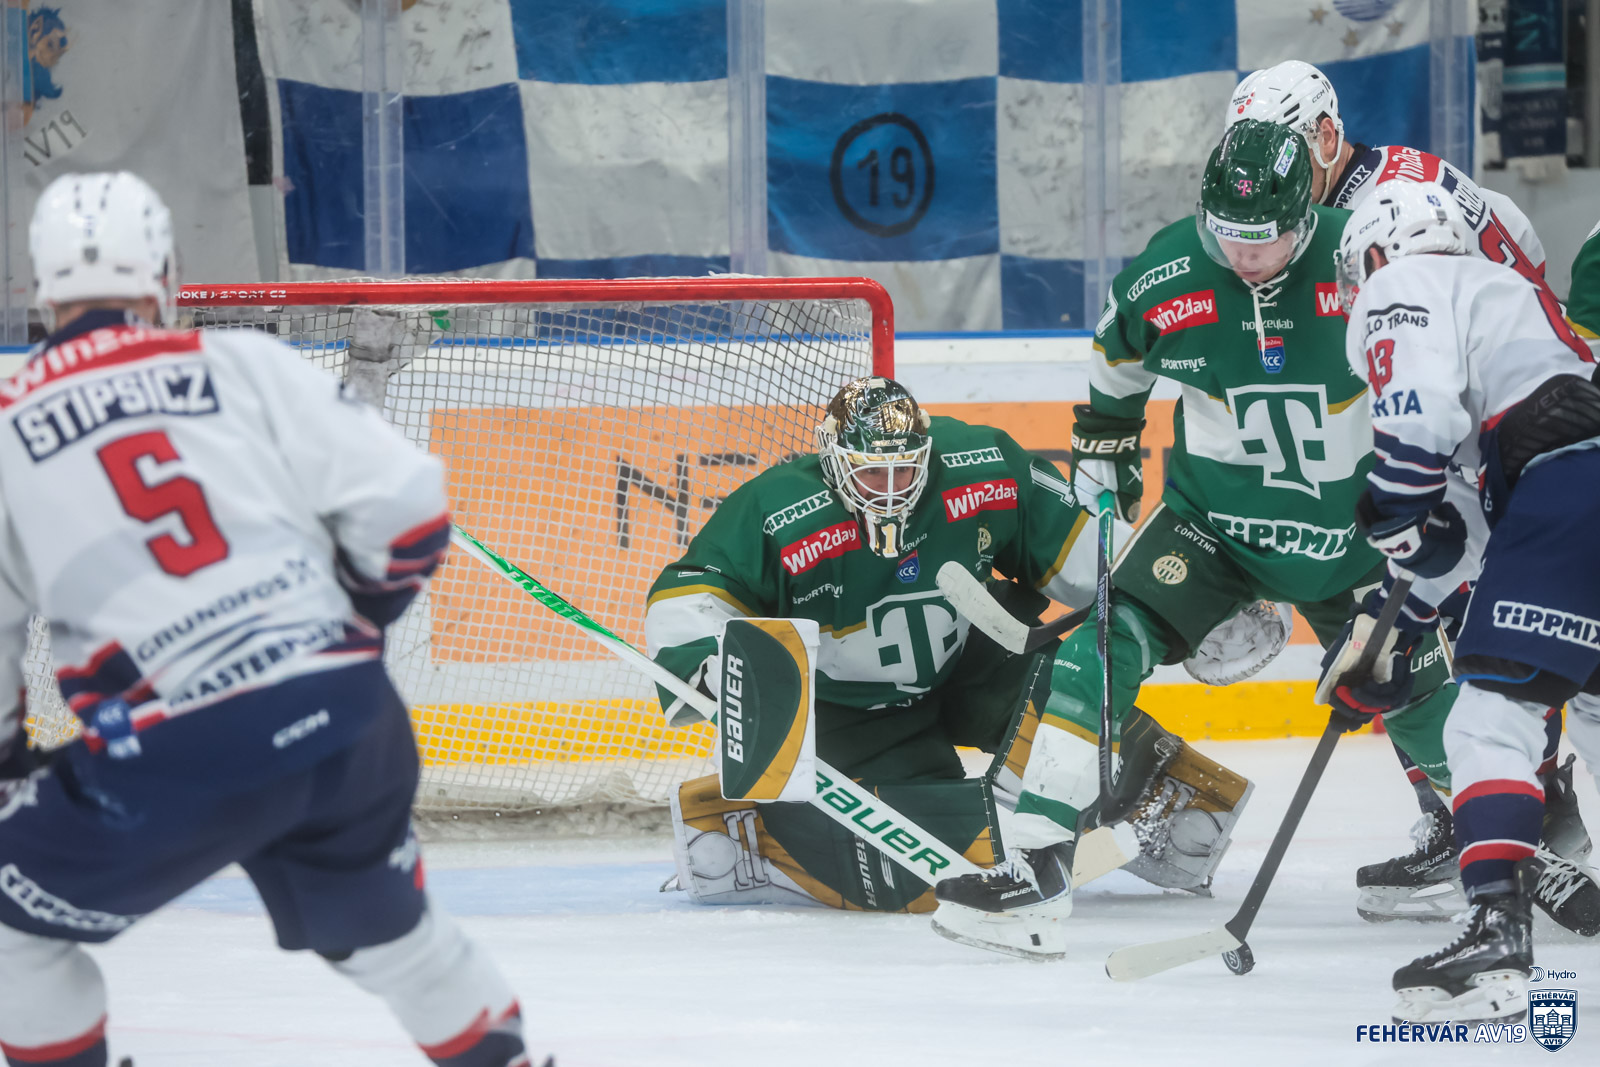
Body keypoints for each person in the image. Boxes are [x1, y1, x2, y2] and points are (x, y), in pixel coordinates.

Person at [0, 173, 538, 1067]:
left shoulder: (10, 429)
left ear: (39, 288)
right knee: (392, 940)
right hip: (348, 723)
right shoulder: (241, 364)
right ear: (165, 274)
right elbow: (410, 508)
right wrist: (348, 633)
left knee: (9, 929)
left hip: (172, 754)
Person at [929, 118, 1468, 947]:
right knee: (1096, 650)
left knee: (1421, 692)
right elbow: (1115, 360)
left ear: (1307, 212)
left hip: (1356, 536)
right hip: (1214, 529)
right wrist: (1104, 448)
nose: (1243, 255)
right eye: (1228, 234)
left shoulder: (1362, 252)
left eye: (1265, 238)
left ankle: (1506, 845)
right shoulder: (1173, 269)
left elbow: (1444, 363)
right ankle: (1036, 864)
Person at [645, 377, 1269, 957]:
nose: (891, 489)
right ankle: (748, 833)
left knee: (1079, 691)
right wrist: (712, 662)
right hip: (852, 712)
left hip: (973, 660)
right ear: (834, 461)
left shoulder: (983, 466)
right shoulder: (778, 510)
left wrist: (1185, 604)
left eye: (904, 470)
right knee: (909, 855)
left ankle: (1163, 812)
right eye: (872, 472)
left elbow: (1084, 553)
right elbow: (693, 590)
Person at [1227, 59, 1592, 920]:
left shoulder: (1383, 225)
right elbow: (1524, 249)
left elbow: (1419, 402)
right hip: (1517, 418)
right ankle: (1507, 815)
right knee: (1455, 625)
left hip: (1523, 436)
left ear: (1325, 135)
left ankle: (1521, 837)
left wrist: (1404, 505)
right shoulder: (1416, 180)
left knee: (1489, 662)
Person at [1334, 180, 1600, 1023]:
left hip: (1570, 481)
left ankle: (1495, 933)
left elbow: (1416, 437)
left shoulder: (1406, 282)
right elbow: (1468, 541)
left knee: (1488, 721)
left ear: (1378, 252)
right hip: (1571, 485)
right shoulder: (1503, 303)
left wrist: (1393, 509)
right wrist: (1392, 636)